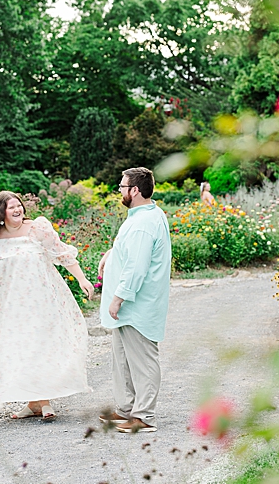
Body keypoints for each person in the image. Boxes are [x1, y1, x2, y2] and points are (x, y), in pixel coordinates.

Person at [0, 191, 94, 421]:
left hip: (40, 302)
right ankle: (33, 404)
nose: (18, 210)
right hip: (7, 308)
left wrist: (82, 279)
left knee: (39, 347)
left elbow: (62, 253)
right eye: (11, 207)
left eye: (19, 205)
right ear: (1, 212)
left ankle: (44, 401)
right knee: (19, 350)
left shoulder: (38, 229)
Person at [98, 167, 172, 434]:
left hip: (137, 304)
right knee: (123, 360)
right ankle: (127, 409)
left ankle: (144, 417)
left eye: (122, 186)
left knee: (142, 360)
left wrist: (118, 298)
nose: (120, 190)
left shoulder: (143, 223)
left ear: (135, 190)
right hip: (131, 306)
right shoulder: (146, 214)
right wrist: (112, 253)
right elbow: (132, 251)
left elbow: (138, 267)